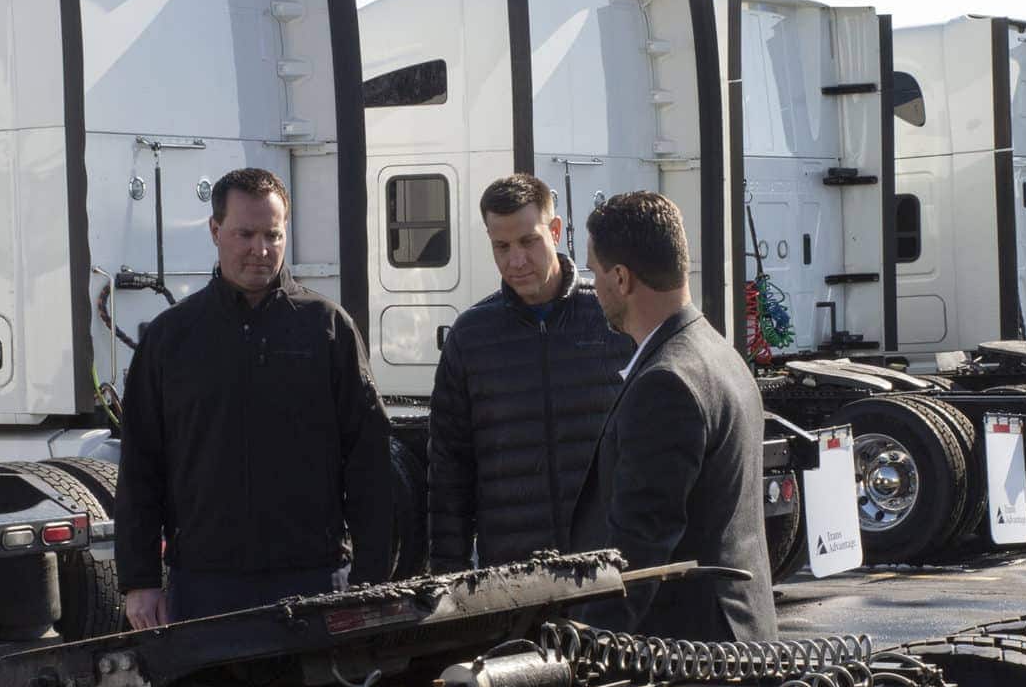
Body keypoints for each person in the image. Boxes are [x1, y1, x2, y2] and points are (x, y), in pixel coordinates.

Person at [112, 167, 392, 626]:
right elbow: (141, 465)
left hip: (315, 580)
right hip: (205, 585)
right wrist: (139, 580)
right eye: (245, 234)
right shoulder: (172, 338)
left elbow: (369, 461)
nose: (260, 250)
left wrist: (372, 577)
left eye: (272, 235)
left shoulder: (326, 328)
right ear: (215, 230)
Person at [568, 190, 777, 642]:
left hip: (692, 657)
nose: (594, 285)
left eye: (594, 270)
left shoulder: (666, 383)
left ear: (621, 278)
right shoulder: (719, 353)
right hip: (737, 639)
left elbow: (641, 546)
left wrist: (587, 648)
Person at [425, 174, 630, 571]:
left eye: (528, 241)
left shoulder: (612, 318)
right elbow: (449, 471)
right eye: (501, 246)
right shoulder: (470, 337)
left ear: (554, 231)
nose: (515, 260)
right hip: (514, 578)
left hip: (610, 570)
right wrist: (447, 577)